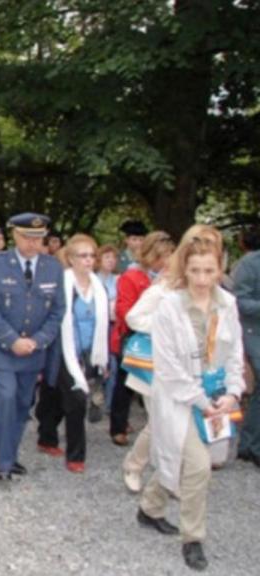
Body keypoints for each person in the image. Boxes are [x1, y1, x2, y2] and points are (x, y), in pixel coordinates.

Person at [136, 235, 244, 571]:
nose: (200, 279)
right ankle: (193, 538)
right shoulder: (169, 306)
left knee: (179, 461)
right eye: (194, 270)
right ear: (185, 268)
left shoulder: (227, 304)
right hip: (179, 399)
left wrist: (233, 391)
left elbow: (235, 355)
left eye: (208, 271)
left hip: (215, 399)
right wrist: (199, 400)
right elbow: (167, 366)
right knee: (197, 466)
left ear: (219, 270)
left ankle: (150, 507)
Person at [122, 226, 221, 492]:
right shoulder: (164, 286)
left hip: (190, 368)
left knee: (179, 424)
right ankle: (135, 466)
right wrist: (167, 326)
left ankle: (167, 479)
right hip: (156, 367)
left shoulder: (207, 288)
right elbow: (133, 317)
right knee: (160, 423)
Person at [0, 213, 65, 482]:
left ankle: (11, 455)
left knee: (22, 404)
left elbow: (58, 310)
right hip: (3, 350)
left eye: (38, 238)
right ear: (14, 235)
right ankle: (3, 463)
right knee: (5, 397)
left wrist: (37, 341)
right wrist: (11, 339)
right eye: (27, 237)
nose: (33, 243)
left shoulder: (53, 267)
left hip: (33, 352)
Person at [35, 234, 109, 473]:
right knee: (76, 400)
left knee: (56, 397)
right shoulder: (60, 284)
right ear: (70, 258)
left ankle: (46, 437)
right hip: (62, 351)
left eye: (91, 255)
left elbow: (104, 324)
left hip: (88, 353)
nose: (88, 260)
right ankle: (76, 455)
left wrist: (102, 357)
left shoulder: (99, 287)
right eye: (82, 255)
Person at [110, 231, 176, 446]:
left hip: (163, 340)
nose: (166, 261)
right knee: (125, 383)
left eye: (169, 255)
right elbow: (124, 310)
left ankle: (157, 428)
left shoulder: (171, 279)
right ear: (149, 255)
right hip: (133, 337)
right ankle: (118, 426)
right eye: (161, 256)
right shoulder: (131, 276)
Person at [234, 225, 260, 468]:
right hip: (254, 331)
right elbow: (240, 302)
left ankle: (249, 445)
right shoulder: (249, 263)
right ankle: (251, 446)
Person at [96, 244, 120, 412]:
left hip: (112, 326)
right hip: (97, 327)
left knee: (112, 365)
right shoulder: (92, 279)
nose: (111, 261)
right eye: (107, 257)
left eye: (113, 257)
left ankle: (110, 404)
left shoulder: (118, 280)